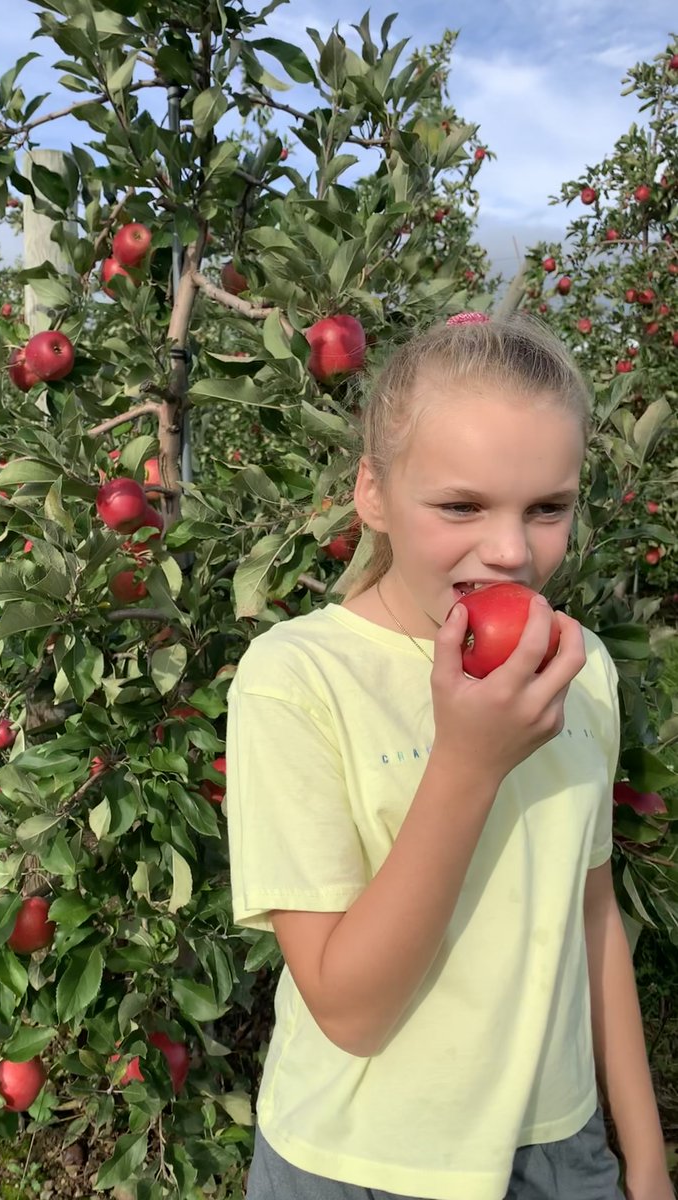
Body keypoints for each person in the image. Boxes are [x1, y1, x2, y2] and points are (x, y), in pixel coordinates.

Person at [225, 312, 674, 1200]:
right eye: (461, 505)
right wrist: (468, 766)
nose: (510, 551)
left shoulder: (580, 671)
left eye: (548, 507)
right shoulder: (299, 679)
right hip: (359, 1163)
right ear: (374, 494)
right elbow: (349, 1010)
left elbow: (591, 918)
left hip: (558, 1148)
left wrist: (648, 1160)